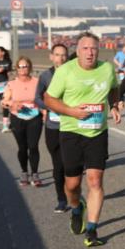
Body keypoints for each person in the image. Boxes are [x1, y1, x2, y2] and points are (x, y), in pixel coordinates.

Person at [43, 32, 121, 247]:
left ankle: (92, 230)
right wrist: (70, 111)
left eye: (94, 48)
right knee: (72, 184)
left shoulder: (106, 69)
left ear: (99, 50)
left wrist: (114, 105)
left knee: (95, 180)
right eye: (85, 48)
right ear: (77, 51)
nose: (90, 52)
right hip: (71, 132)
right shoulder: (65, 71)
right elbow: (48, 98)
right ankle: (77, 207)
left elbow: (115, 88)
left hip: (97, 133)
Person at [36, 44, 70, 212]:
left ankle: (73, 192)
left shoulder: (74, 74)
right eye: (57, 55)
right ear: (51, 56)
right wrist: (51, 107)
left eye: (64, 55)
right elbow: (37, 98)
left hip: (72, 126)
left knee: (70, 164)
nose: (60, 58)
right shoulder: (45, 76)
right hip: (53, 126)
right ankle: (61, 199)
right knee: (58, 165)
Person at [2, 56, 44, 187]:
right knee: (22, 147)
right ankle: (24, 172)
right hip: (17, 118)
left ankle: (35, 174)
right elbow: (4, 101)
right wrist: (13, 103)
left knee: (33, 146)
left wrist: (44, 111)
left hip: (34, 117)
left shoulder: (37, 82)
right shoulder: (12, 84)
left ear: (30, 67)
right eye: (20, 66)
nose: (22, 69)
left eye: (25, 66)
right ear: (16, 69)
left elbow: (45, 98)